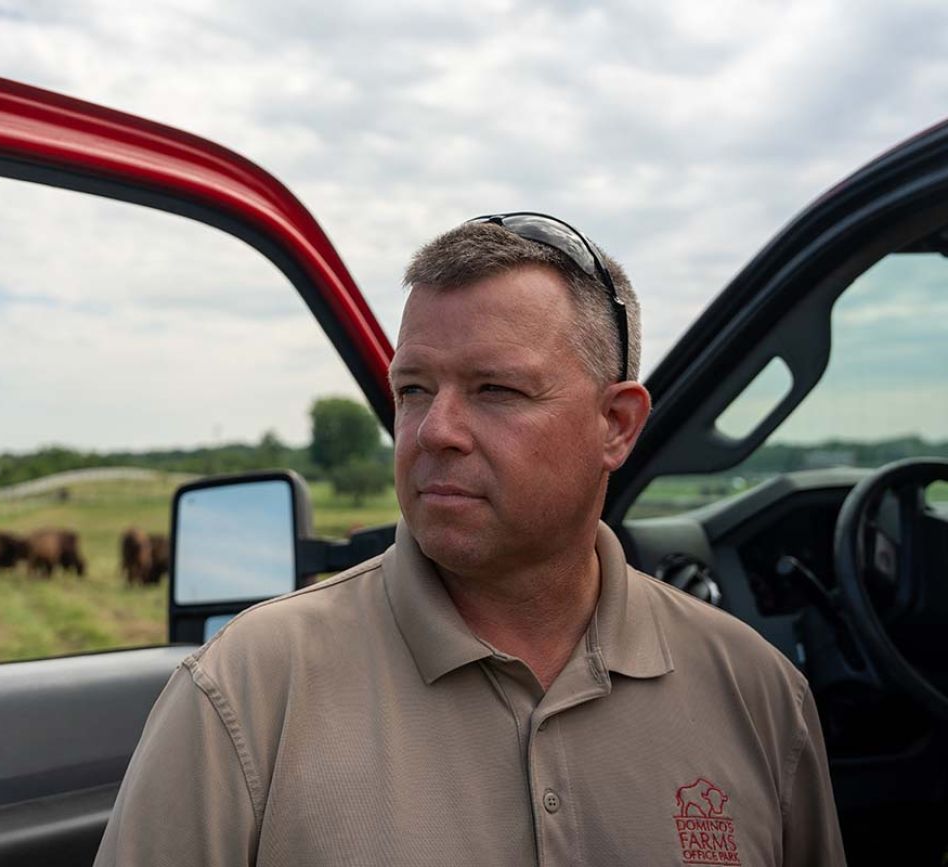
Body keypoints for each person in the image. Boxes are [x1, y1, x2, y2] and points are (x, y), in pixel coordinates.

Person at [94, 213, 846, 866]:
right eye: (413, 389)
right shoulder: (248, 689)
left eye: (496, 390)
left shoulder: (757, 692)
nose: (435, 432)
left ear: (615, 424)